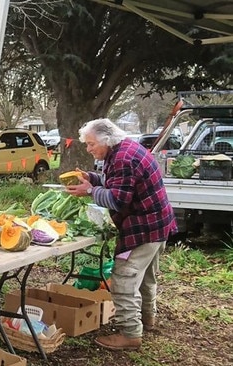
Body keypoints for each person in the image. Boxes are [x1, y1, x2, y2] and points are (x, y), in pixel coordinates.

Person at [66, 118, 177, 350]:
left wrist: (89, 191)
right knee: (146, 276)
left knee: (124, 278)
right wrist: (93, 178)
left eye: (91, 144)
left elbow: (118, 199)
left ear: (106, 140)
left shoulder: (123, 158)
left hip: (144, 226)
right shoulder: (124, 151)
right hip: (159, 223)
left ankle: (130, 334)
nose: (88, 149)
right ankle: (147, 319)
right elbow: (119, 182)